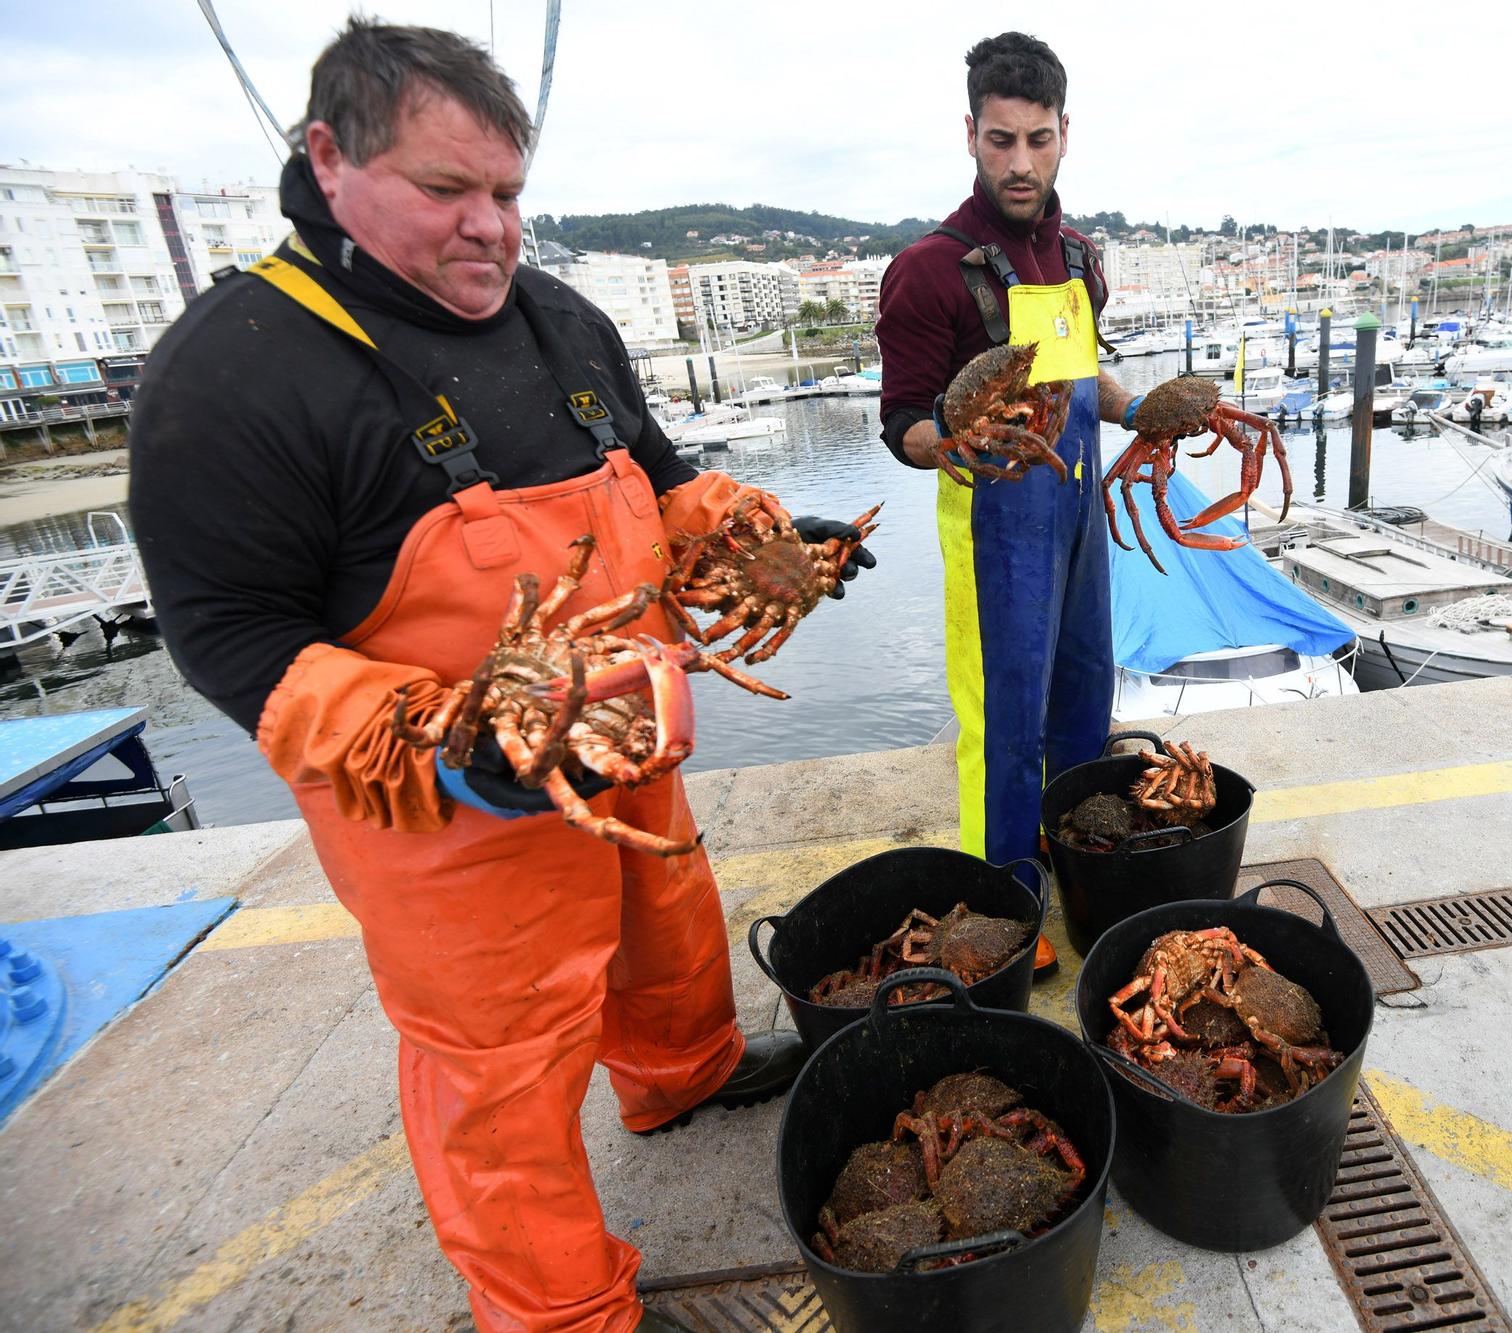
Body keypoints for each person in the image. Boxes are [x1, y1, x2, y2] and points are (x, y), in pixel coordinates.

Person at [129, 21, 868, 1333]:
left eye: (509, 194)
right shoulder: (233, 373)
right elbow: (232, 637)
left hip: (626, 736)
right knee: (500, 1070)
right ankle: (560, 1309)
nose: (489, 229)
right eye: (444, 191)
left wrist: (762, 540)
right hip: (447, 808)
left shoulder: (559, 317)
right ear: (329, 160)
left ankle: (678, 1072)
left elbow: (654, 468)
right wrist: (446, 747)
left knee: (667, 923)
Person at [876, 32, 1139, 901]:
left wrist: (1146, 408)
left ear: (1066, 132)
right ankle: (1003, 903)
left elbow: (1082, 376)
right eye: (1001, 140)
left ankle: (1075, 867)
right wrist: (949, 444)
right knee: (1004, 730)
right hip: (995, 532)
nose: (1020, 162)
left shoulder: (1077, 259)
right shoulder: (927, 272)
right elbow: (903, 422)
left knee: (1081, 712)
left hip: (1078, 522)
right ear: (971, 133)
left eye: (1038, 138)